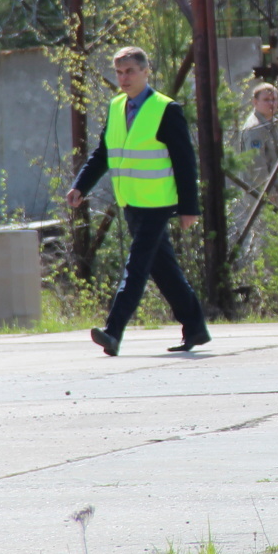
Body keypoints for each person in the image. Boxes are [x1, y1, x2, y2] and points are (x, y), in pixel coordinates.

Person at [65, 46, 210, 356]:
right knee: (163, 269)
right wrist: (81, 186)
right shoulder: (117, 106)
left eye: (130, 71)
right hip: (131, 202)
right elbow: (103, 153)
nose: (124, 78)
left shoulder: (166, 109)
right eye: (119, 72)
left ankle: (113, 332)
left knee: (137, 267)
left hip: (158, 203)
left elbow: (185, 162)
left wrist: (188, 208)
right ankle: (195, 327)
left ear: (146, 71)